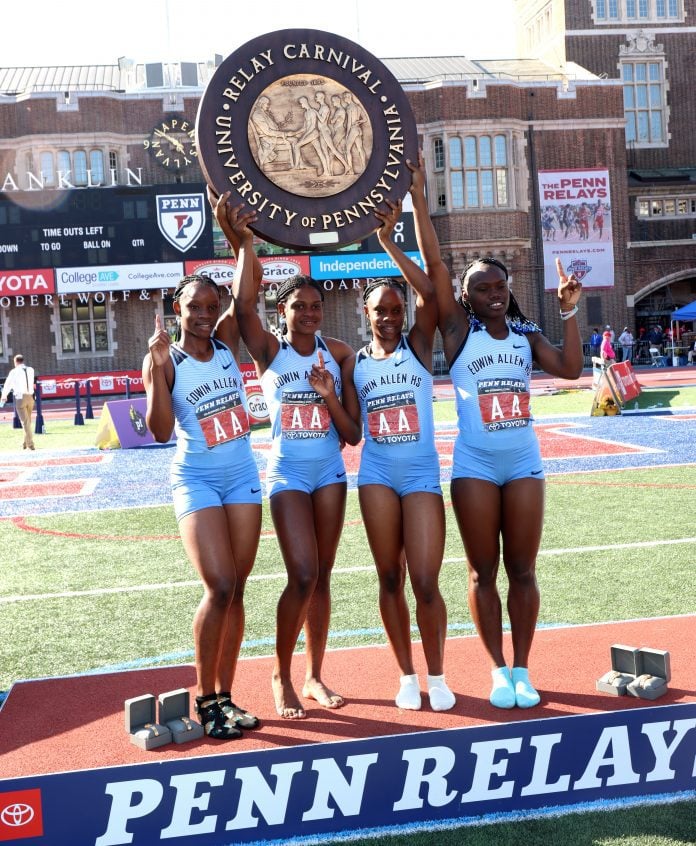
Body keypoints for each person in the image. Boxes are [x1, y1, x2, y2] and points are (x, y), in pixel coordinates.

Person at [418, 179, 583, 709]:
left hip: (523, 462)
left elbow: (571, 369)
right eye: (483, 288)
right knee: (481, 572)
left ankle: (522, 668)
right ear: (466, 296)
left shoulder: (525, 334)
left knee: (524, 570)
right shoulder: (456, 331)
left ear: (509, 290)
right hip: (475, 465)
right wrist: (419, 201)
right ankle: (496, 669)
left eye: (500, 287)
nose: (494, 294)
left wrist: (569, 311)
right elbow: (436, 266)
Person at [212, 190, 361, 719]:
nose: (309, 313)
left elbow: (352, 434)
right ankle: (280, 673)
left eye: (316, 306)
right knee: (301, 573)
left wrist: (328, 395)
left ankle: (315, 674)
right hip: (287, 473)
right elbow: (242, 308)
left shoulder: (339, 353)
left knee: (323, 575)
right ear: (283, 311)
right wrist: (245, 244)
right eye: (299, 306)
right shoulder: (269, 351)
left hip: (330, 471)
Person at [348, 176, 455, 712]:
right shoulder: (354, 364)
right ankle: (406, 676)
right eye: (380, 311)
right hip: (375, 476)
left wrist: (390, 241)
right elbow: (350, 428)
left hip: (420, 475)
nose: (389, 318)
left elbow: (432, 291)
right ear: (365, 314)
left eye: (395, 310)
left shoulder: (417, 345)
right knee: (389, 577)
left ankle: (438, 674)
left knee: (426, 581)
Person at [142, 273, 262, 740]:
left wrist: (244, 241)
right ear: (178, 309)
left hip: (242, 476)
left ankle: (226, 698)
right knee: (220, 585)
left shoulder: (226, 341)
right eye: (195, 307)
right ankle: (206, 698)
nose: (205, 315)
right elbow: (159, 431)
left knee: (238, 590)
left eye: (212, 307)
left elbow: (247, 287)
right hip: (197, 479)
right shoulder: (165, 359)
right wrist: (156, 370)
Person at [1, 354, 36, 450]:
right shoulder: (31, 370)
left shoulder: (14, 371)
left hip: (20, 398)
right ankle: (24, 443)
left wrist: (4, 396)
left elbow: (8, 384)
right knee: (28, 421)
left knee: (25, 422)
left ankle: (30, 444)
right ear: (22, 361)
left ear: (15, 362)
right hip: (30, 397)